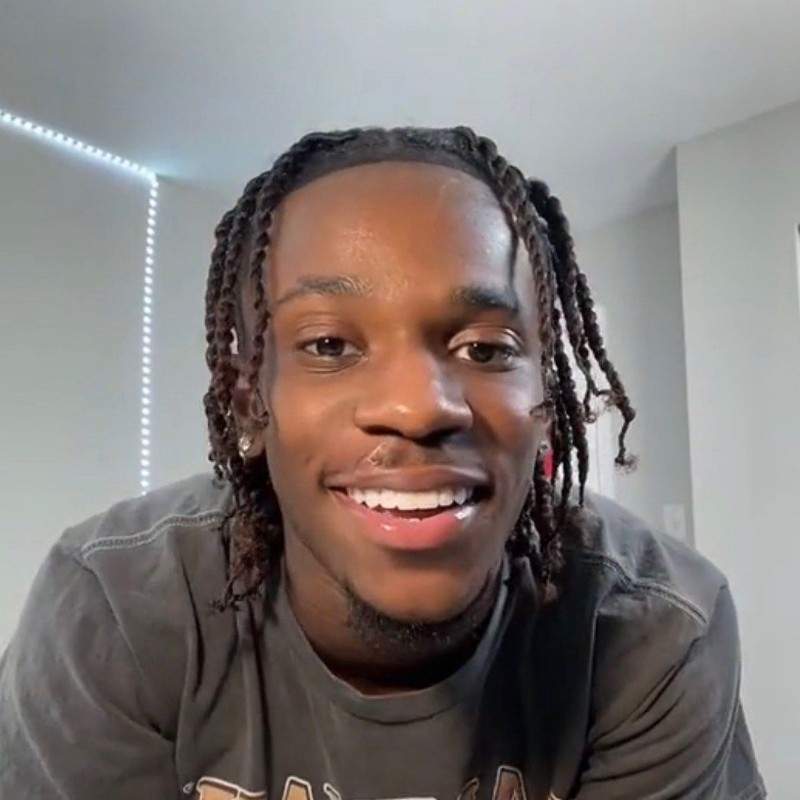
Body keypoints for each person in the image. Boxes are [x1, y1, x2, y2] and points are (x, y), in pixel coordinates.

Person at [0, 127, 765, 799]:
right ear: (248, 405)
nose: (417, 407)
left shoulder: (653, 630)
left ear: (547, 399)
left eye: (485, 349)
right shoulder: (116, 610)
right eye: (330, 345)